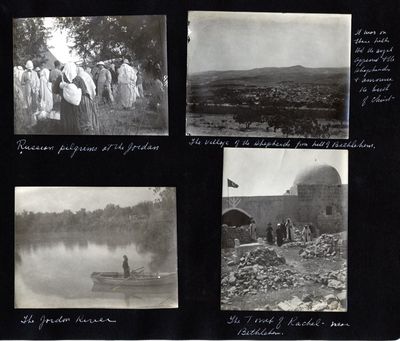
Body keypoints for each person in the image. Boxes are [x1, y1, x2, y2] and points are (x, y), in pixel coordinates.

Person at [53, 62, 95, 134]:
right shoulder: (78, 78)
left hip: (64, 104)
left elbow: (54, 90)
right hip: (77, 104)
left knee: (66, 121)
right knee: (76, 120)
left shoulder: (60, 78)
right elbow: (84, 91)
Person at [77, 66, 100, 134]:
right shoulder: (86, 75)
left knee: (86, 113)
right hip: (89, 95)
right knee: (91, 112)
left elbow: (81, 88)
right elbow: (93, 86)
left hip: (84, 96)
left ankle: (88, 128)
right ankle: (92, 127)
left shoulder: (80, 76)